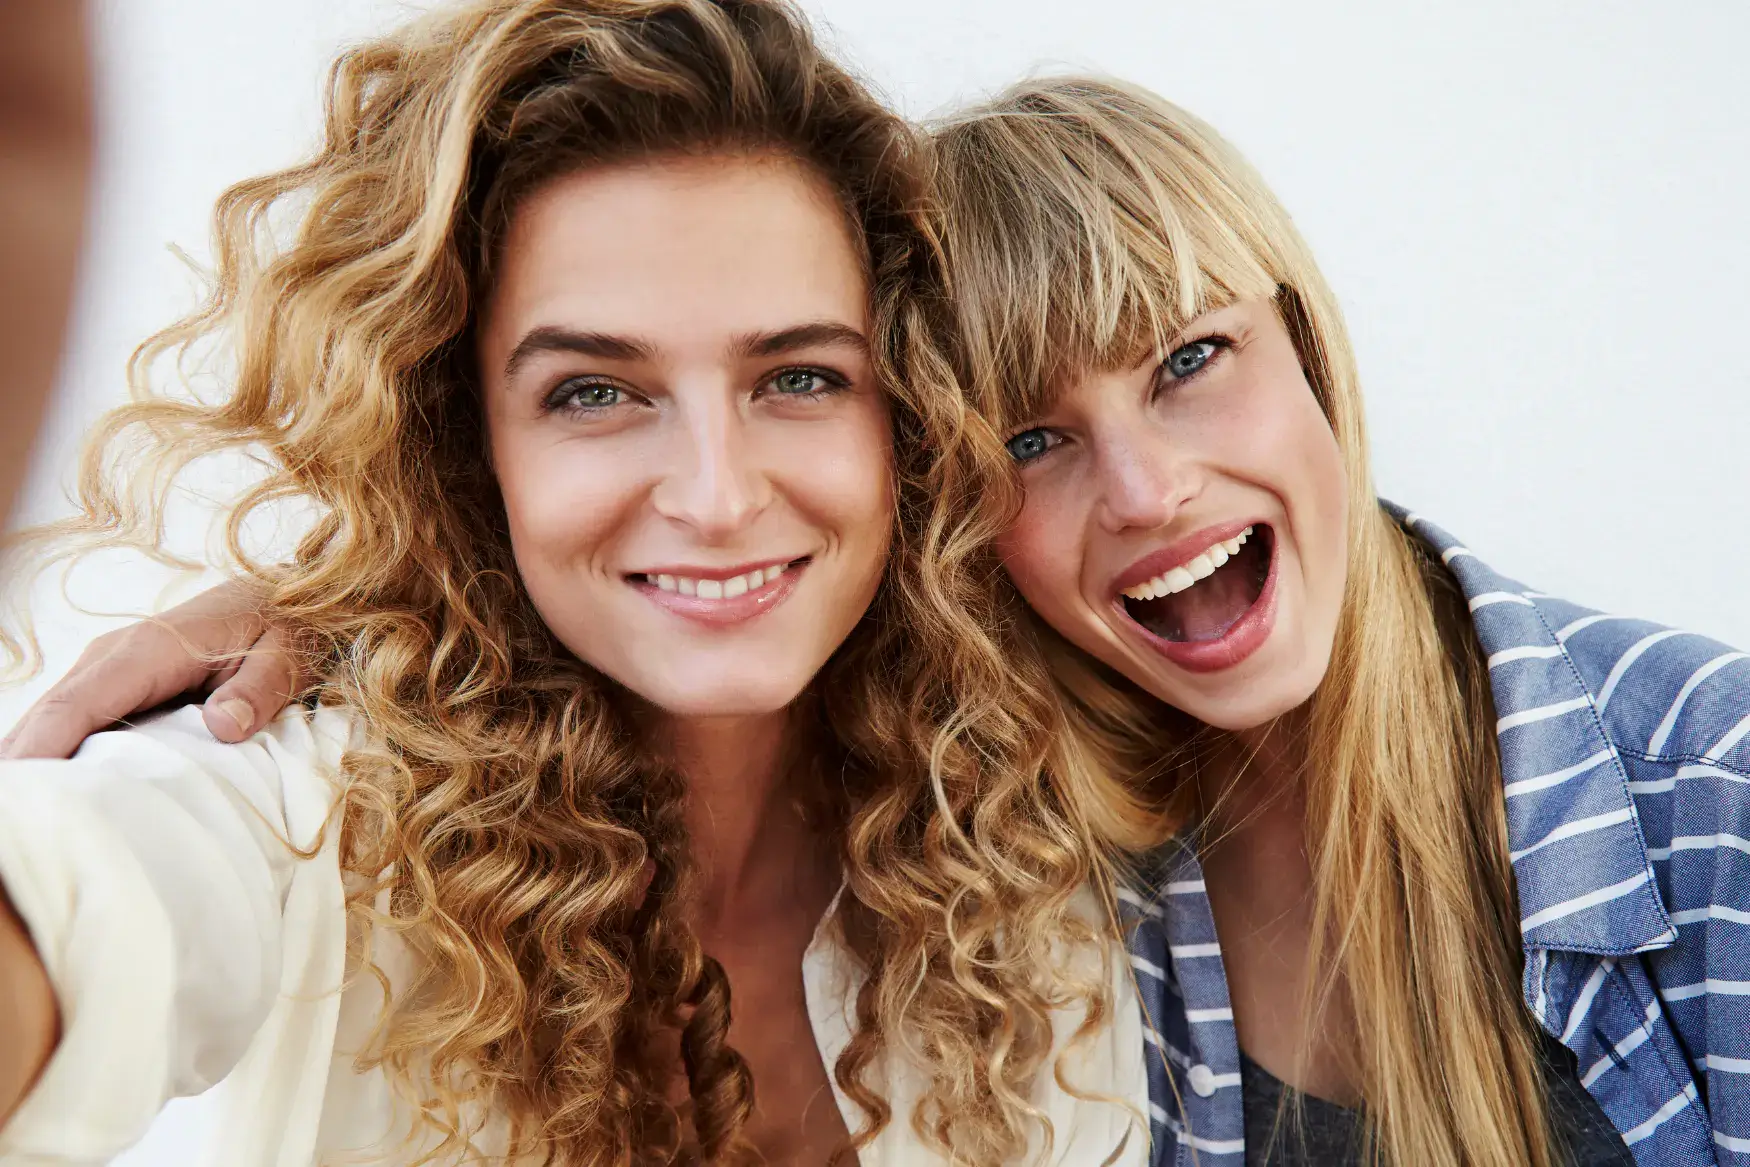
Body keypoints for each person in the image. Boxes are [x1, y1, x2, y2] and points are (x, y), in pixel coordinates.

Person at [0, 4, 1153, 1164]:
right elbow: (96, 884)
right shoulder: (307, 817)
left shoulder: (1041, 833)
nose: (716, 496)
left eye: (798, 376)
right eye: (594, 393)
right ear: (466, 444)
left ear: (907, 414)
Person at [926, 78, 1749, 1165]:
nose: (1143, 491)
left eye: (1187, 361)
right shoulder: (1032, 895)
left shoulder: (1706, 781)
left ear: (1308, 349)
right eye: (1028, 442)